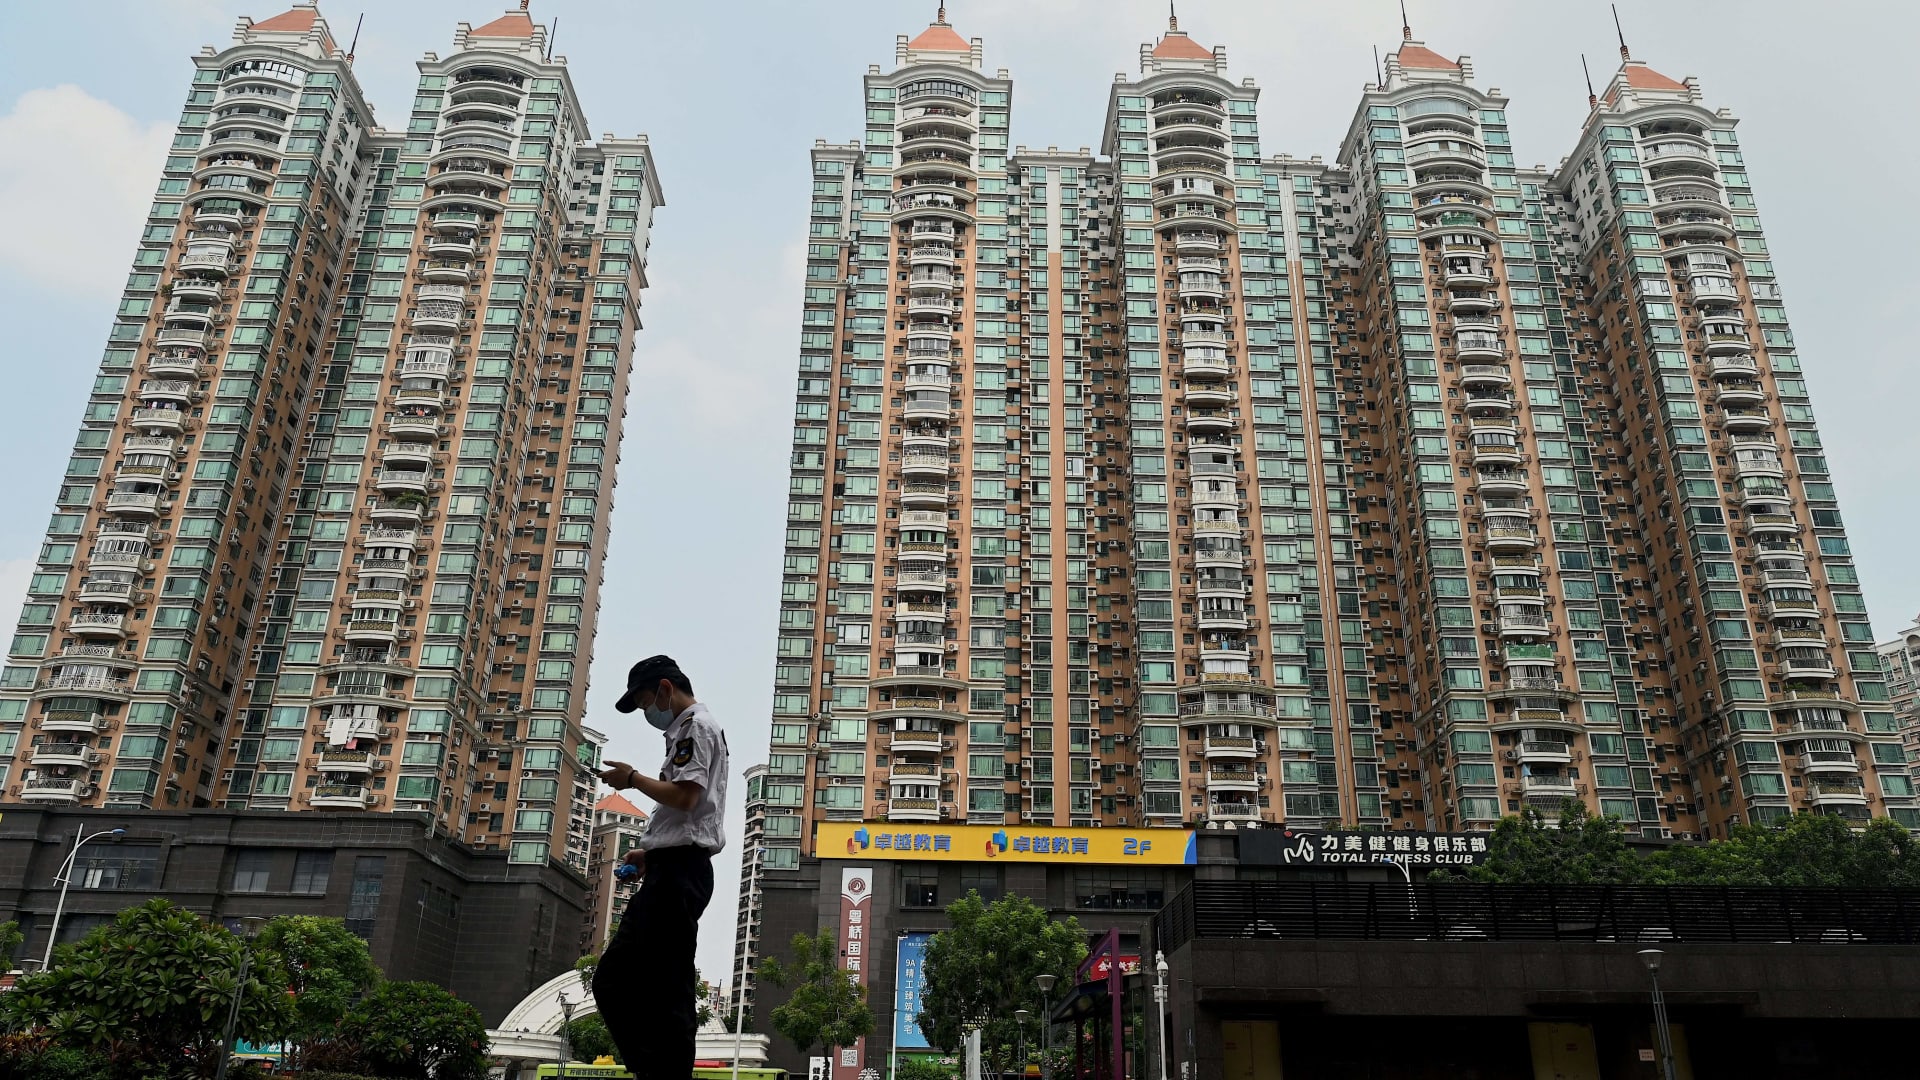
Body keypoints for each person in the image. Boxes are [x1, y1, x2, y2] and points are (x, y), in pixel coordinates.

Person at [591, 654, 730, 1078]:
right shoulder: (688, 730)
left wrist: (632, 779)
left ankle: (665, 1073)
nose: (646, 713)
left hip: (681, 871)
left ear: (665, 689)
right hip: (672, 867)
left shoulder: (695, 727)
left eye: (645, 702)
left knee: (660, 985)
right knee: (631, 981)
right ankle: (657, 1071)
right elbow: (689, 811)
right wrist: (651, 855)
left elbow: (685, 797)